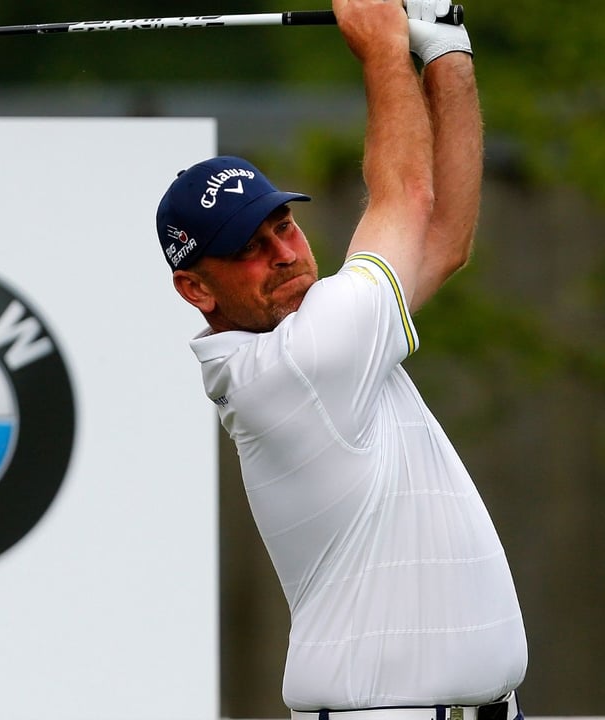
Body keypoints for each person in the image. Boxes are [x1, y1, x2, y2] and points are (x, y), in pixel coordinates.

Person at [154, 0, 527, 717]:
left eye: (283, 225)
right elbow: (408, 195)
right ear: (196, 287)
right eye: (249, 248)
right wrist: (383, 45)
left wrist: (446, 47)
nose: (285, 254)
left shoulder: (328, 338)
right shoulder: (297, 365)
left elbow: (444, 240)